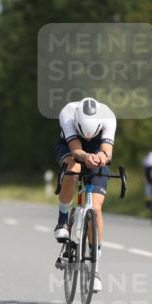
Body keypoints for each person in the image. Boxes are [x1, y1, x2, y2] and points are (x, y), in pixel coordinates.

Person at [54, 97, 117, 293]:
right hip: (71, 147)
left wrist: (101, 157)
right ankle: (63, 220)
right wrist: (86, 156)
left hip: (97, 153)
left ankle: (95, 269)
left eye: (92, 134)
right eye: (85, 134)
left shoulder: (109, 118)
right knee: (73, 170)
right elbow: (76, 150)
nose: (89, 138)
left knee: (96, 209)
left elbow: (108, 151)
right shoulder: (67, 114)